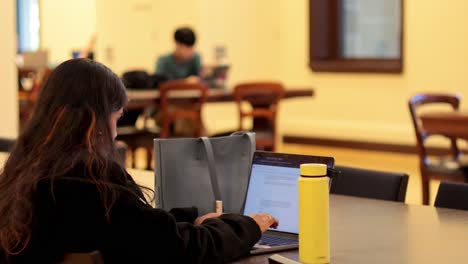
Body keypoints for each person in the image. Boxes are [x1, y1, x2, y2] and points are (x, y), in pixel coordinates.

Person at [0, 59, 278, 263]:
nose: (116, 131)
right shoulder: (93, 186)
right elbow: (183, 250)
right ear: (93, 121)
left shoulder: (24, 174)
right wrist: (249, 225)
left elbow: (137, 229)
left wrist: (192, 219)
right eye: (117, 118)